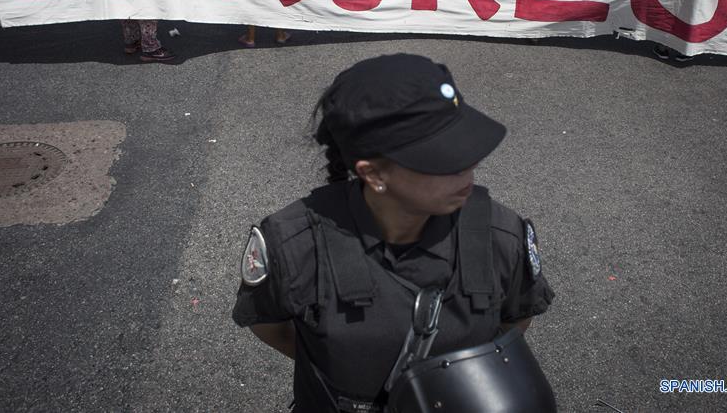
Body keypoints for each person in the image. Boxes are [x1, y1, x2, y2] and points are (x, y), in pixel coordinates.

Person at [232, 53, 555, 412]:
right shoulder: (293, 246)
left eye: (467, 147)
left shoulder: (501, 237)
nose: (470, 168)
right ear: (373, 174)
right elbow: (270, 325)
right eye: (443, 159)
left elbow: (513, 322)